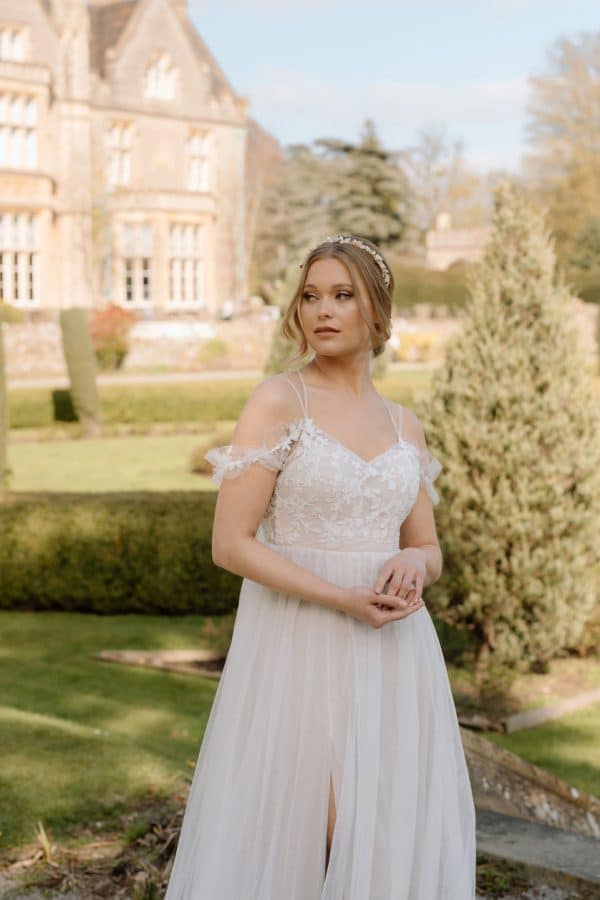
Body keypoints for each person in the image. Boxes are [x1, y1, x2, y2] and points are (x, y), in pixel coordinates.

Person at [164, 234, 476, 899]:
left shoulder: (404, 426)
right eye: (310, 296)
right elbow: (232, 544)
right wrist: (342, 598)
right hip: (297, 650)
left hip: (393, 652)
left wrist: (415, 564)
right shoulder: (280, 401)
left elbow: (429, 545)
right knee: (306, 832)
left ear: (377, 312)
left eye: (342, 296)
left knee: (389, 831)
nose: (322, 311)